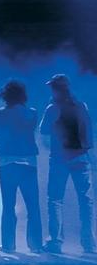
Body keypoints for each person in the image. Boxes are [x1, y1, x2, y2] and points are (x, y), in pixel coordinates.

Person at [40, 74, 96, 254]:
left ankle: (55, 242)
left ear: (56, 89)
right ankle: (89, 243)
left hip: (60, 159)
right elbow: (89, 130)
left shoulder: (52, 107)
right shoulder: (81, 105)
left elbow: (43, 130)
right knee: (86, 201)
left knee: (55, 200)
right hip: (81, 157)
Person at [0, 80, 42, 254]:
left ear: (5, 96)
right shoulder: (32, 113)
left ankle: (8, 245)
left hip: (7, 163)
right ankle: (35, 245)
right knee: (33, 206)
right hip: (28, 163)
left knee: (8, 206)